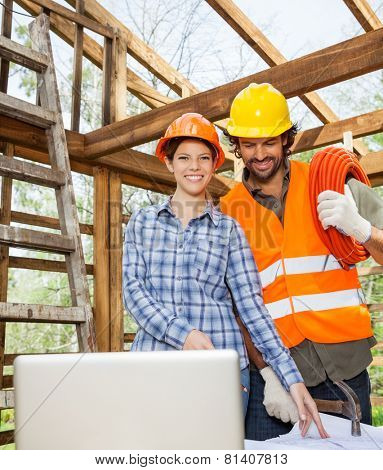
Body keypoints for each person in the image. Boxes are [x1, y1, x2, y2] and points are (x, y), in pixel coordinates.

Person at [122, 112, 328, 438]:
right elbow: (133, 292)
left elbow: (252, 307)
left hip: (224, 370)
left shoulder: (229, 230)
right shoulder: (142, 222)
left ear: (214, 164)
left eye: (204, 158)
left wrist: (291, 378)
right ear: (169, 163)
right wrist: (183, 334)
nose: (194, 166)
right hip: (155, 363)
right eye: (184, 158)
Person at [220, 82, 383, 441]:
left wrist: (360, 228)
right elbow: (235, 307)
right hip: (276, 381)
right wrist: (267, 375)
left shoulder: (332, 184)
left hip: (344, 370)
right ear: (237, 147)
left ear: (286, 139)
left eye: (269, 142)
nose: (259, 153)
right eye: (249, 144)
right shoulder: (227, 212)